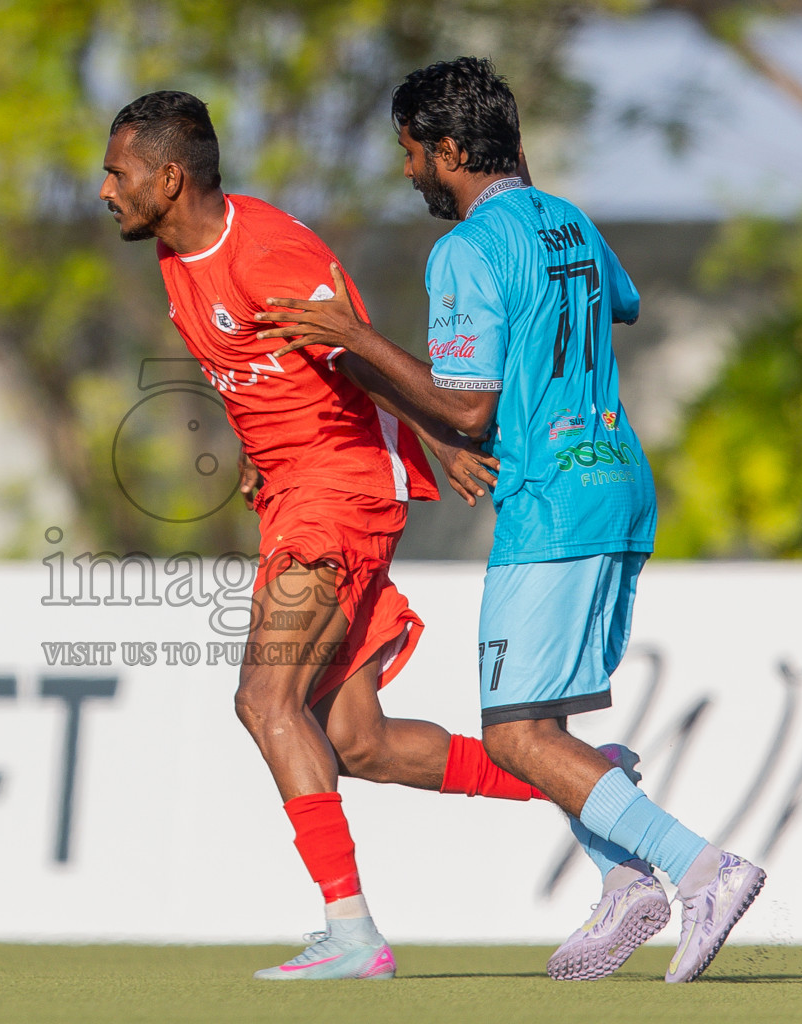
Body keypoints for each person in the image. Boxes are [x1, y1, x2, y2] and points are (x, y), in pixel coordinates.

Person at [256, 57, 765, 984]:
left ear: (450, 149)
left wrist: (356, 340)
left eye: (412, 154)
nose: (410, 173)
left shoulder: (464, 250)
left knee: (516, 736)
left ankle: (701, 868)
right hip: (618, 484)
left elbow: (467, 411)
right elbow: (624, 302)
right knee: (548, 721)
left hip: (552, 505)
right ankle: (625, 888)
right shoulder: (568, 218)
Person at [100, 90, 575, 982]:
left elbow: (355, 353)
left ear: (168, 177)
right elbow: (263, 376)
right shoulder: (175, 259)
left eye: (115, 171)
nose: (103, 188)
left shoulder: (270, 252)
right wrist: (255, 453)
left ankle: (352, 934)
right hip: (296, 494)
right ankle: (590, 783)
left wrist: (442, 435)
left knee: (263, 701)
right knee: (359, 742)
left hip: (338, 498)